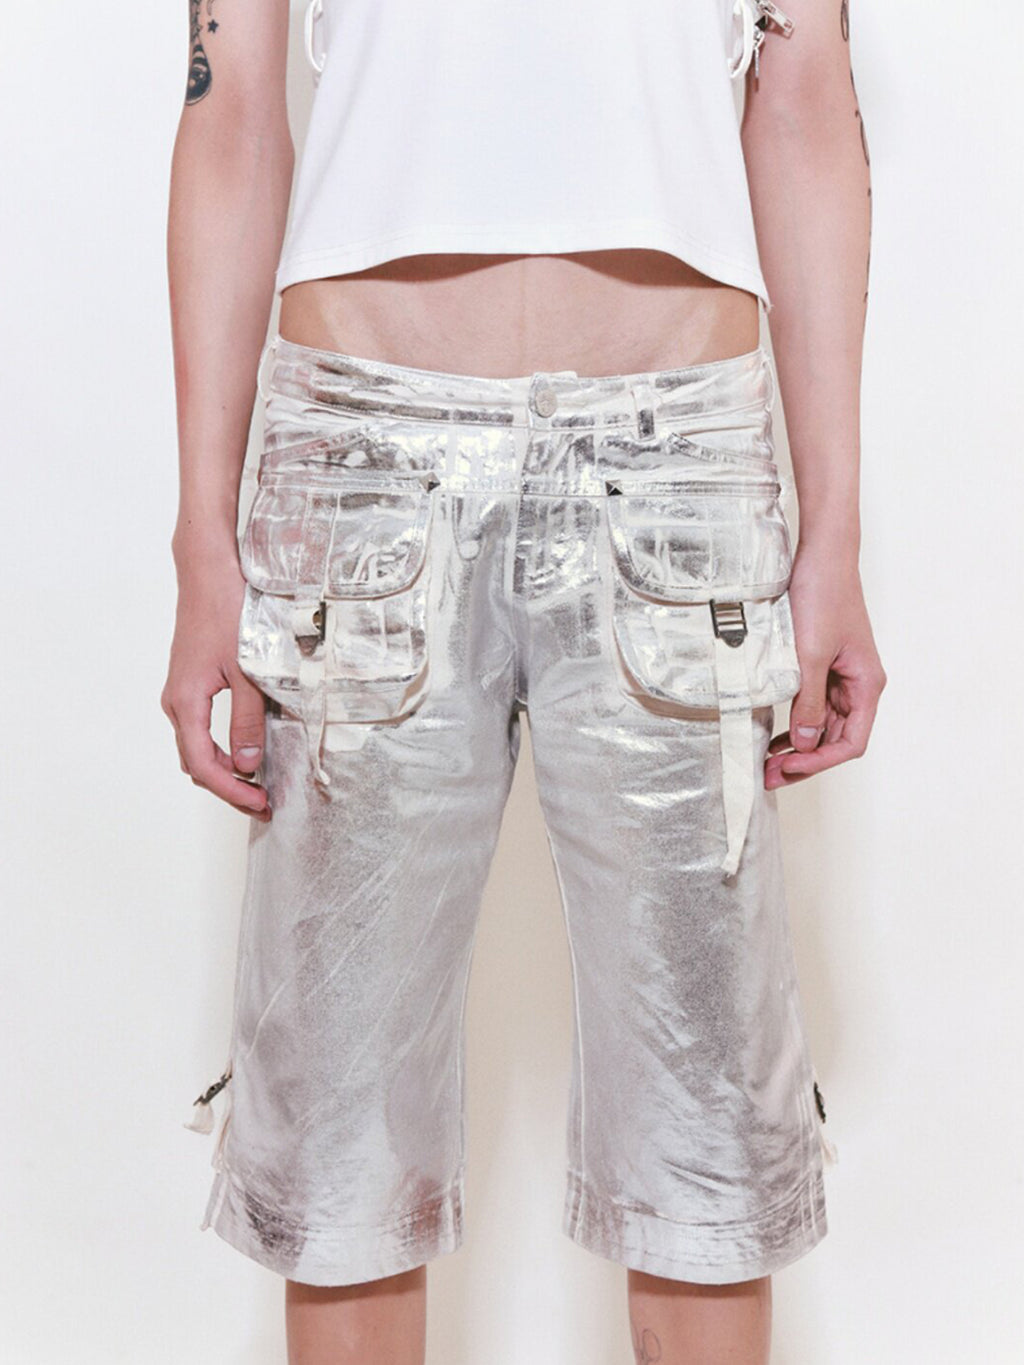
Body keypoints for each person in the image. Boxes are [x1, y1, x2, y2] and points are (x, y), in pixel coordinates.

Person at [163, 1, 885, 1361]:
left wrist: (833, 529)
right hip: (364, 459)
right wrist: (205, 537)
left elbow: (802, 104)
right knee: (341, 1165)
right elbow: (230, 110)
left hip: (680, 463)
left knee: (707, 1153)